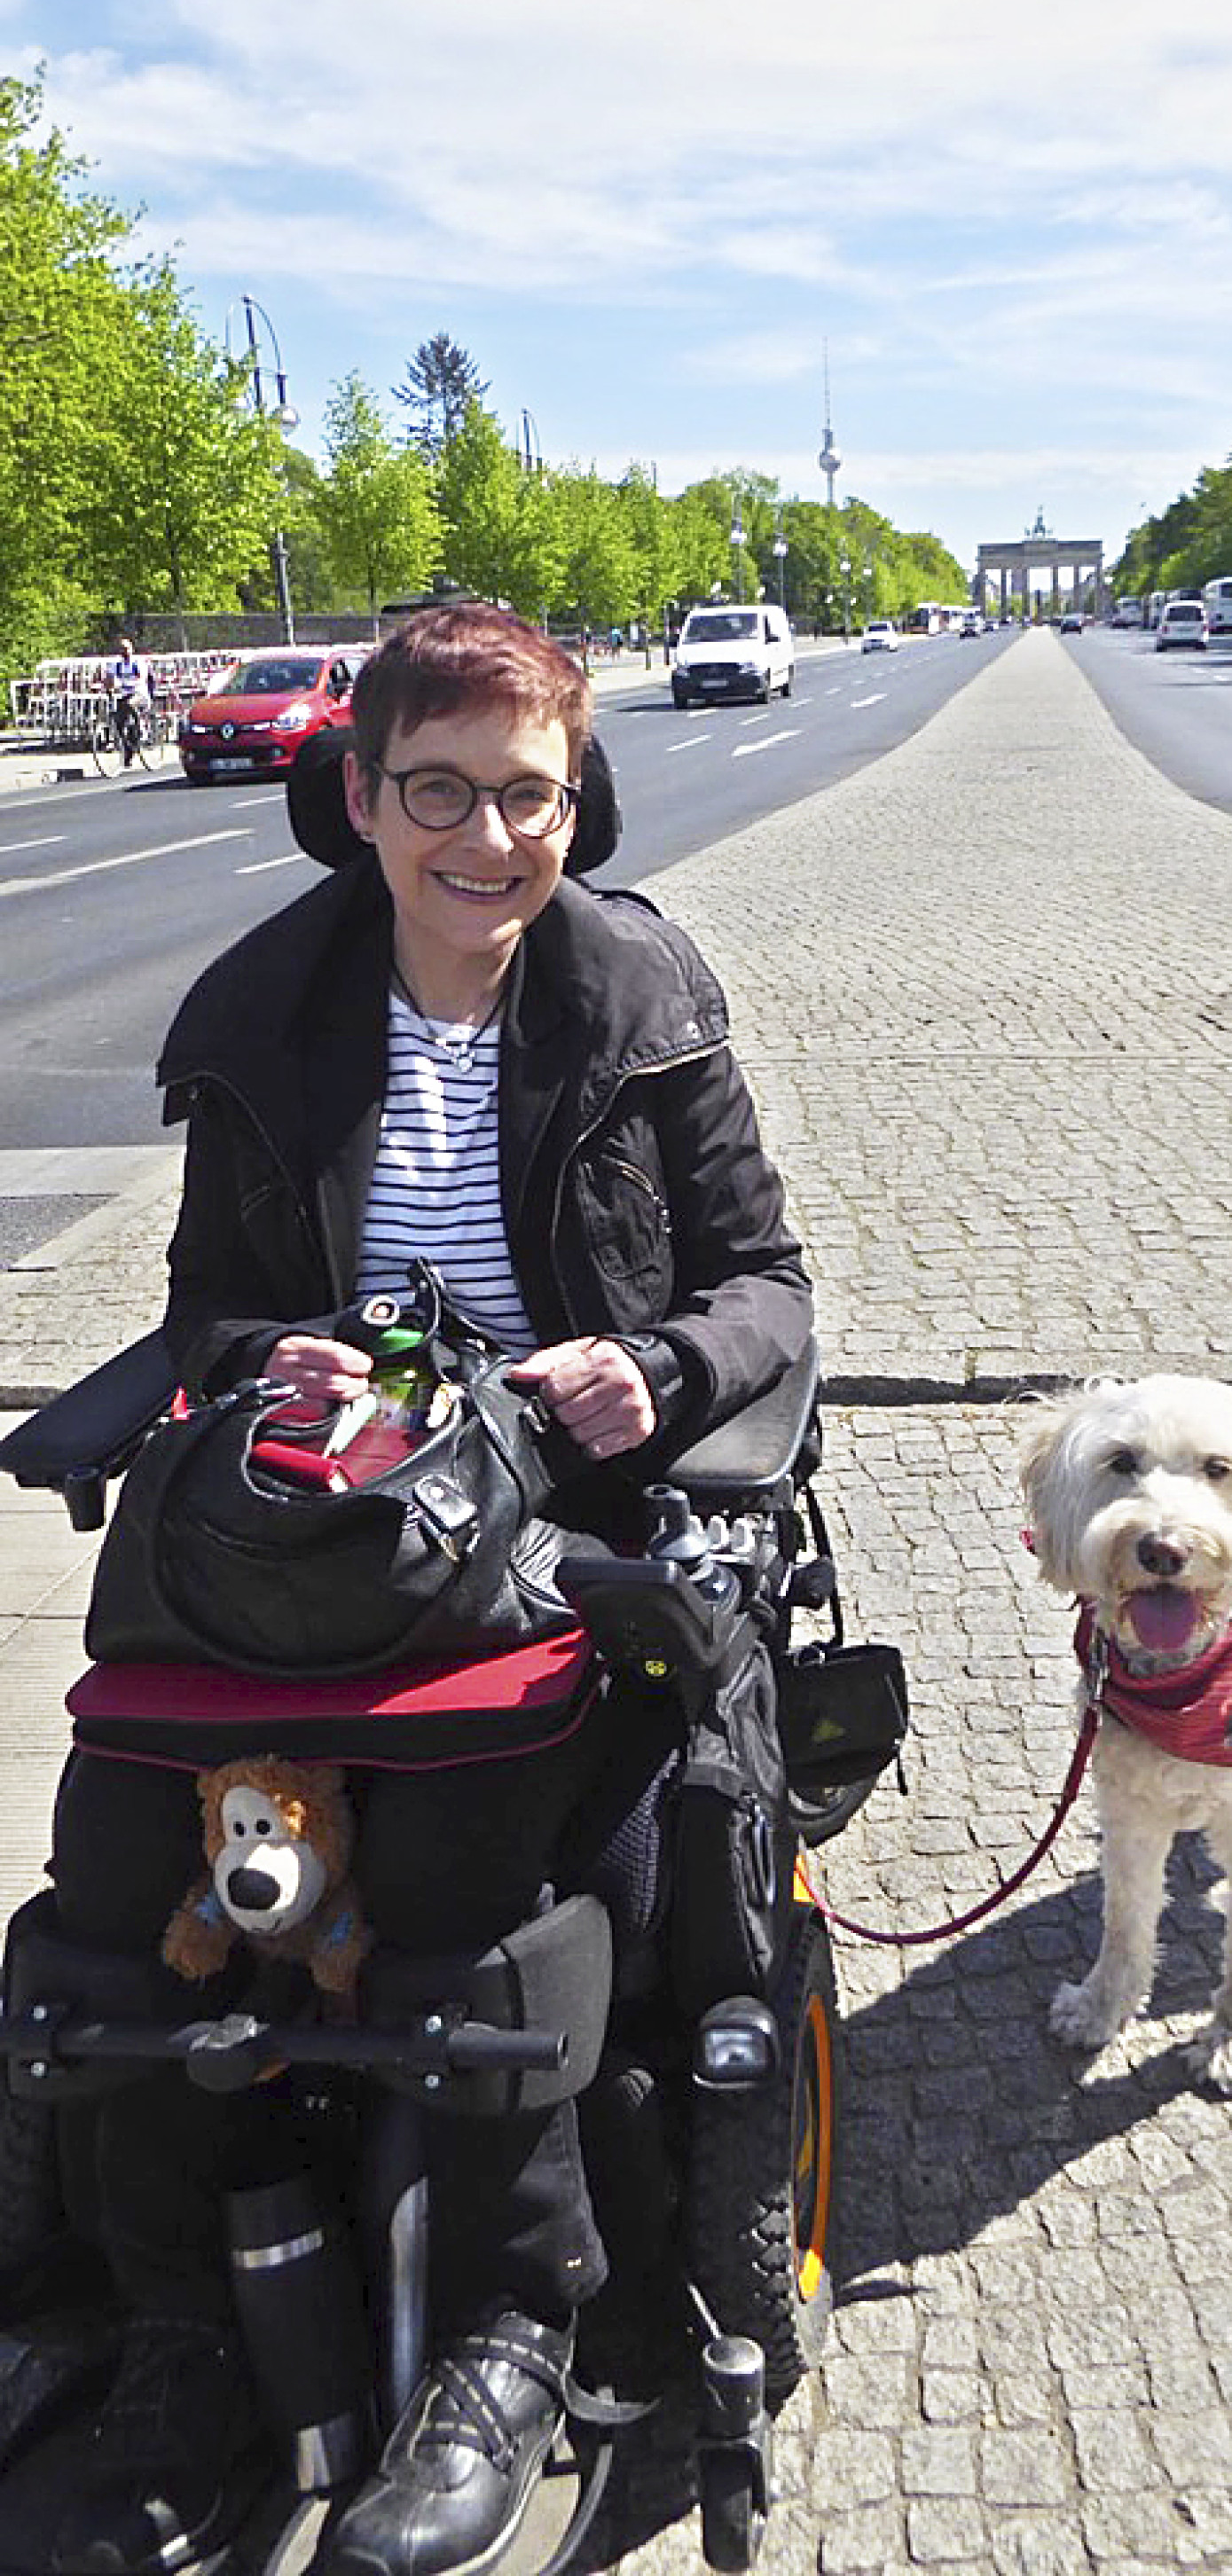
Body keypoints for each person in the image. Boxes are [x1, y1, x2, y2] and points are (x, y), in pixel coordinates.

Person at [44, 604, 812, 2576]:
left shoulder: (642, 994)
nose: (485, 840)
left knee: (480, 1884)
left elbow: (765, 1289)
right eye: (438, 795)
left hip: (559, 1517)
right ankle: (183, 2345)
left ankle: (512, 2324)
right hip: (315, 1526)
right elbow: (206, 1303)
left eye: (528, 796)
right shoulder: (260, 1010)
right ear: (362, 798)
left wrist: (665, 1370)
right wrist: (258, 1364)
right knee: (124, 1879)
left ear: (582, 800)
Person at [107, 638, 153, 761]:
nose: (125, 651)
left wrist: (125, 684)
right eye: (122, 649)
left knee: (130, 704)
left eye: (127, 648)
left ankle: (142, 727)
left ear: (132, 649)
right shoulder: (116, 665)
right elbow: (110, 678)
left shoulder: (138, 662)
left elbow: (141, 678)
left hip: (140, 694)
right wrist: (109, 687)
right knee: (118, 722)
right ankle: (128, 748)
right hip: (124, 695)